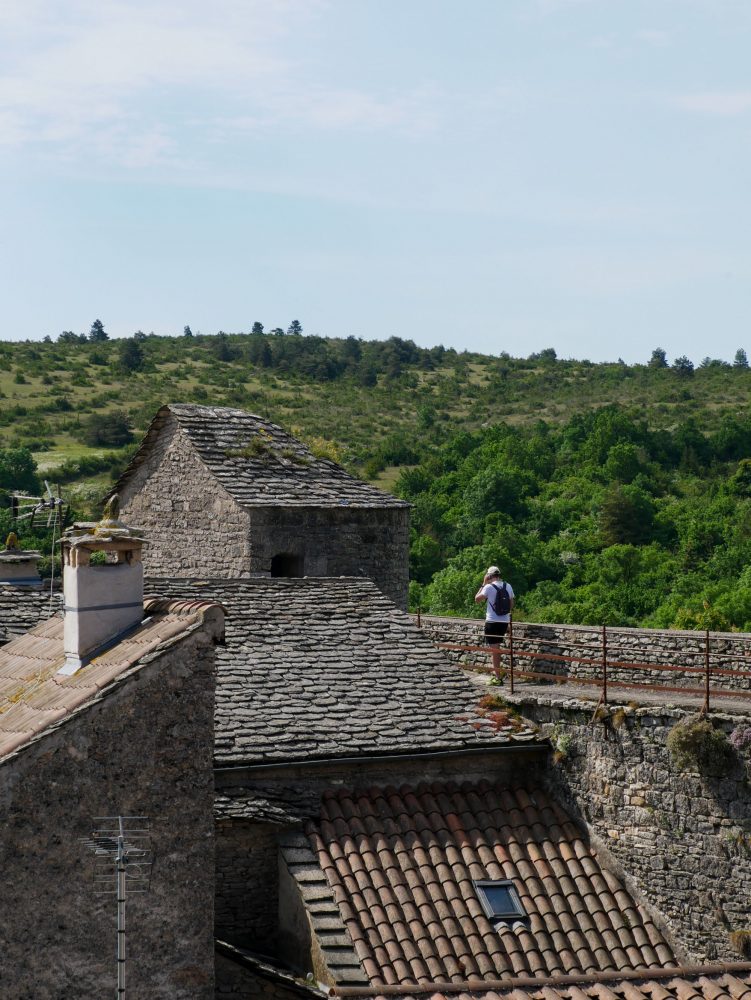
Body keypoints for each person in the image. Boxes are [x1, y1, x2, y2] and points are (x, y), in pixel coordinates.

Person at [475, 566, 515, 675]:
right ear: (499, 575)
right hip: (504, 622)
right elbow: (511, 604)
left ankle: (497, 677)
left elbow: (477, 599)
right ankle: (500, 674)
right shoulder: (508, 586)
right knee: (497, 648)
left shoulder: (488, 587)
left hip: (492, 622)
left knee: (495, 650)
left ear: (489, 576)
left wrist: (483, 583)